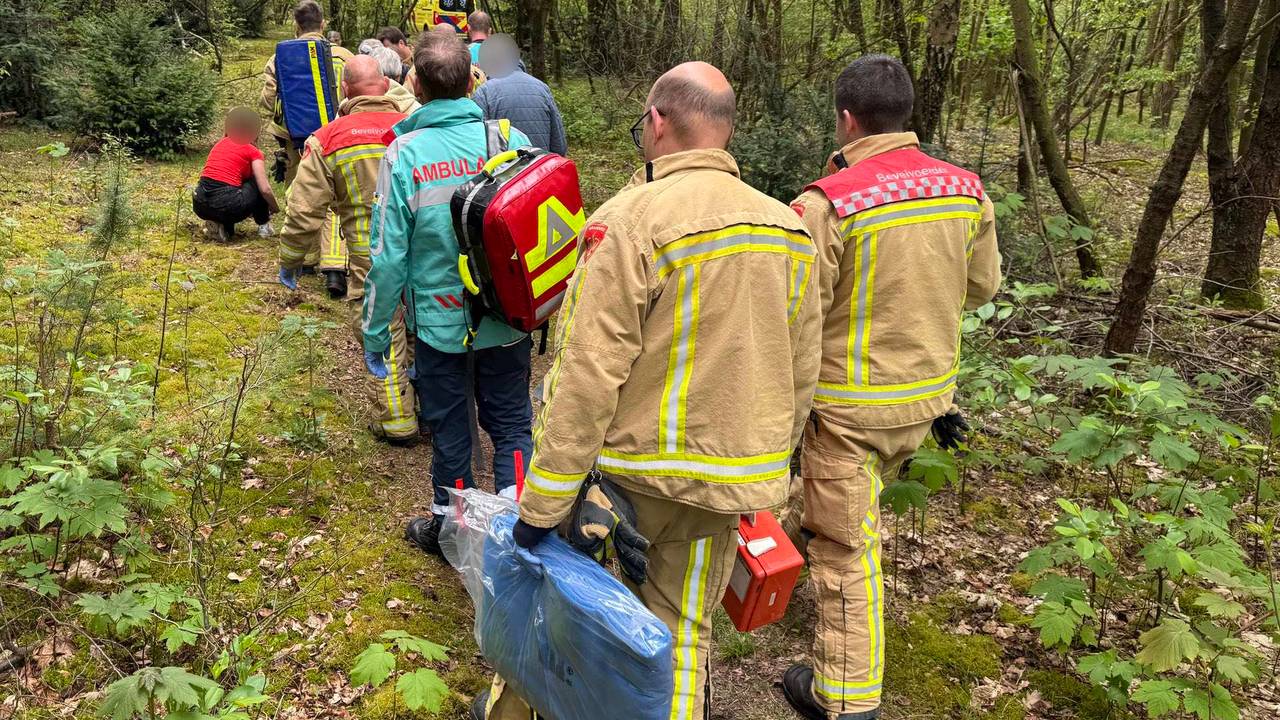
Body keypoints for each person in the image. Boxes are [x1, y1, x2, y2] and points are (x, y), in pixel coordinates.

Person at [477, 61, 821, 720]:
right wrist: (768, 471)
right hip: (729, 487)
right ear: (723, 130)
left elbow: (586, 373)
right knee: (681, 637)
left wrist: (544, 504)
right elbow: (801, 370)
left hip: (628, 486)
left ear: (658, 122)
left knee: (569, 616)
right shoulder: (790, 229)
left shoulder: (630, 219)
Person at [780, 55, 1001, 720]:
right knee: (833, 512)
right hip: (929, 399)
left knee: (847, 554)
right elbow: (983, 286)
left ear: (846, 118)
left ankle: (847, 700)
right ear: (907, 113)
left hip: (848, 412)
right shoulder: (967, 190)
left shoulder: (829, 204)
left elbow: (797, 316)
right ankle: (772, 572)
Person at [361, 33, 534, 555]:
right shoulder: (510, 139)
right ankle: (521, 531)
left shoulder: (404, 155)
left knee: (452, 430)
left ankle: (455, 536)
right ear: (471, 81)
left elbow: (388, 259)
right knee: (510, 423)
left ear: (414, 83)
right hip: (506, 319)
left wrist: (374, 331)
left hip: (440, 328)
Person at [275, 56, 419, 446]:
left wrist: (290, 261)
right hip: (426, 250)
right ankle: (435, 401)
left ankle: (398, 420)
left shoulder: (328, 139)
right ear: (387, 86)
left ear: (344, 91)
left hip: (369, 256)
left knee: (382, 330)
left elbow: (304, 211)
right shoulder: (416, 128)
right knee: (427, 326)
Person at [260, 0, 354, 290]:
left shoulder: (280, 58)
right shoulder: (343, 56)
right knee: (336, 199)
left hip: (295, 140)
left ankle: (306, 259)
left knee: (300, 194)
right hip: (335, 138)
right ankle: (335, 267)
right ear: (323, 24)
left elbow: (267, 101)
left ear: (296, 25)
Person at [193, 107, 279, 242]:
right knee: (255, 181)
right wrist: (275, 207)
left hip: (199, 203)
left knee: (229, 190)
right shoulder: (252, 151)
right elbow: (265, 189)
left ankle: (221, 227)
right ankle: (264, 226)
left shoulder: (219, 144)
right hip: (228, 205)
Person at [472, 34, 567, 155]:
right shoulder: (542, 88)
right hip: (540, 170)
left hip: (505, 172)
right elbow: (559, 146)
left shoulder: (484, 92)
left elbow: (477, 146)